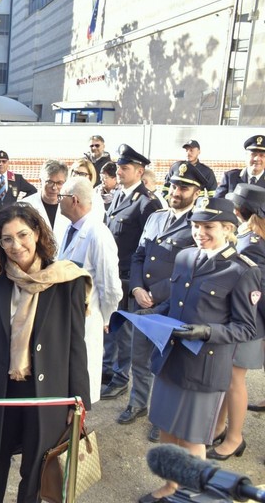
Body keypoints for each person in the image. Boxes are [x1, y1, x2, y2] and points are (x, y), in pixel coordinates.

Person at [0, 204, 92, 503]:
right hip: (1, 388)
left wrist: (77, 399)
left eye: (22, 235)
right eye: (6, 239)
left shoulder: (65, 281)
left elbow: (75, 344)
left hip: (46, 391)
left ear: (37, 233)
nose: (15, 245)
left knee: (35, 468)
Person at [139, 197, 260, 503]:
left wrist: (206, 332)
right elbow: (176, 302)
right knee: (167, 431)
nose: (199, 232)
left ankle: (197, 498)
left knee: (192, 441)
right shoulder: (186, 256)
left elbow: (245, 328)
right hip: (172, 359)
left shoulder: (241, 270)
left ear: (228, 228)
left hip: (204, 368)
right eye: (195, 225)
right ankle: (171, 487)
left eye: (208, 226)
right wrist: (153, 315)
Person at [122, 163, 205, 443]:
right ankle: (138, 403)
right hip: (140, 300)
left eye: (184, 187)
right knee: (139, 357)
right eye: (174, 185)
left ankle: (160, 415)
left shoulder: (198, 223)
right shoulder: (156, 217)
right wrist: (135, 287)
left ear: (197, 192)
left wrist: (154, 295)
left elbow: (190, 271)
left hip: (167, 306)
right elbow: (138, 255)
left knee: (163, 363)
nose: (176, 192)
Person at [207, 185, 265, 461]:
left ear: (240, 210)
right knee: (228, 379)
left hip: (248, 323)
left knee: (234, 382)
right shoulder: (249, 236)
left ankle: (234, 438)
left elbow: (255, 293)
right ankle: (220, 427)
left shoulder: (252, 244)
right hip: (244, 321)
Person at [101, 144, 162, 400]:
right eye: (118, 167)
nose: (120, 172)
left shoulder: (148, 203)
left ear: (139, 171)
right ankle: (108, 370)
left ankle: (120, 377)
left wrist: (141, 283)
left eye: (125, 168)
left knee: (125, 332)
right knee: (112, 328)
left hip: (130, 277)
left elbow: (149, 248)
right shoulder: (119, 194)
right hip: (114, 273)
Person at [58, 177, 122, 406]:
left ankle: (79, 428)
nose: (58, 200)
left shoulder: (98, 234)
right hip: (67, 317)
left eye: (61, 197)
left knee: (83, 377)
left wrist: (105, 317)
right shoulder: (70, 229)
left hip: (88, 318)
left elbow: (111, 286)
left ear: (73, 200)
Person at [0, 149, 37, 224]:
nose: (1, 164)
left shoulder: (17, 178)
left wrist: (20, 204)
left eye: (4, 161)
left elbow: (33, 191)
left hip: (10, 219)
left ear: (8, 163)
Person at [20, 159, 70, 248]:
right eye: (49, 182)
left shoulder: (72, 206)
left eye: (59, 183)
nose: (54, 187)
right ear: (40, 181)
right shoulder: (24, 206)